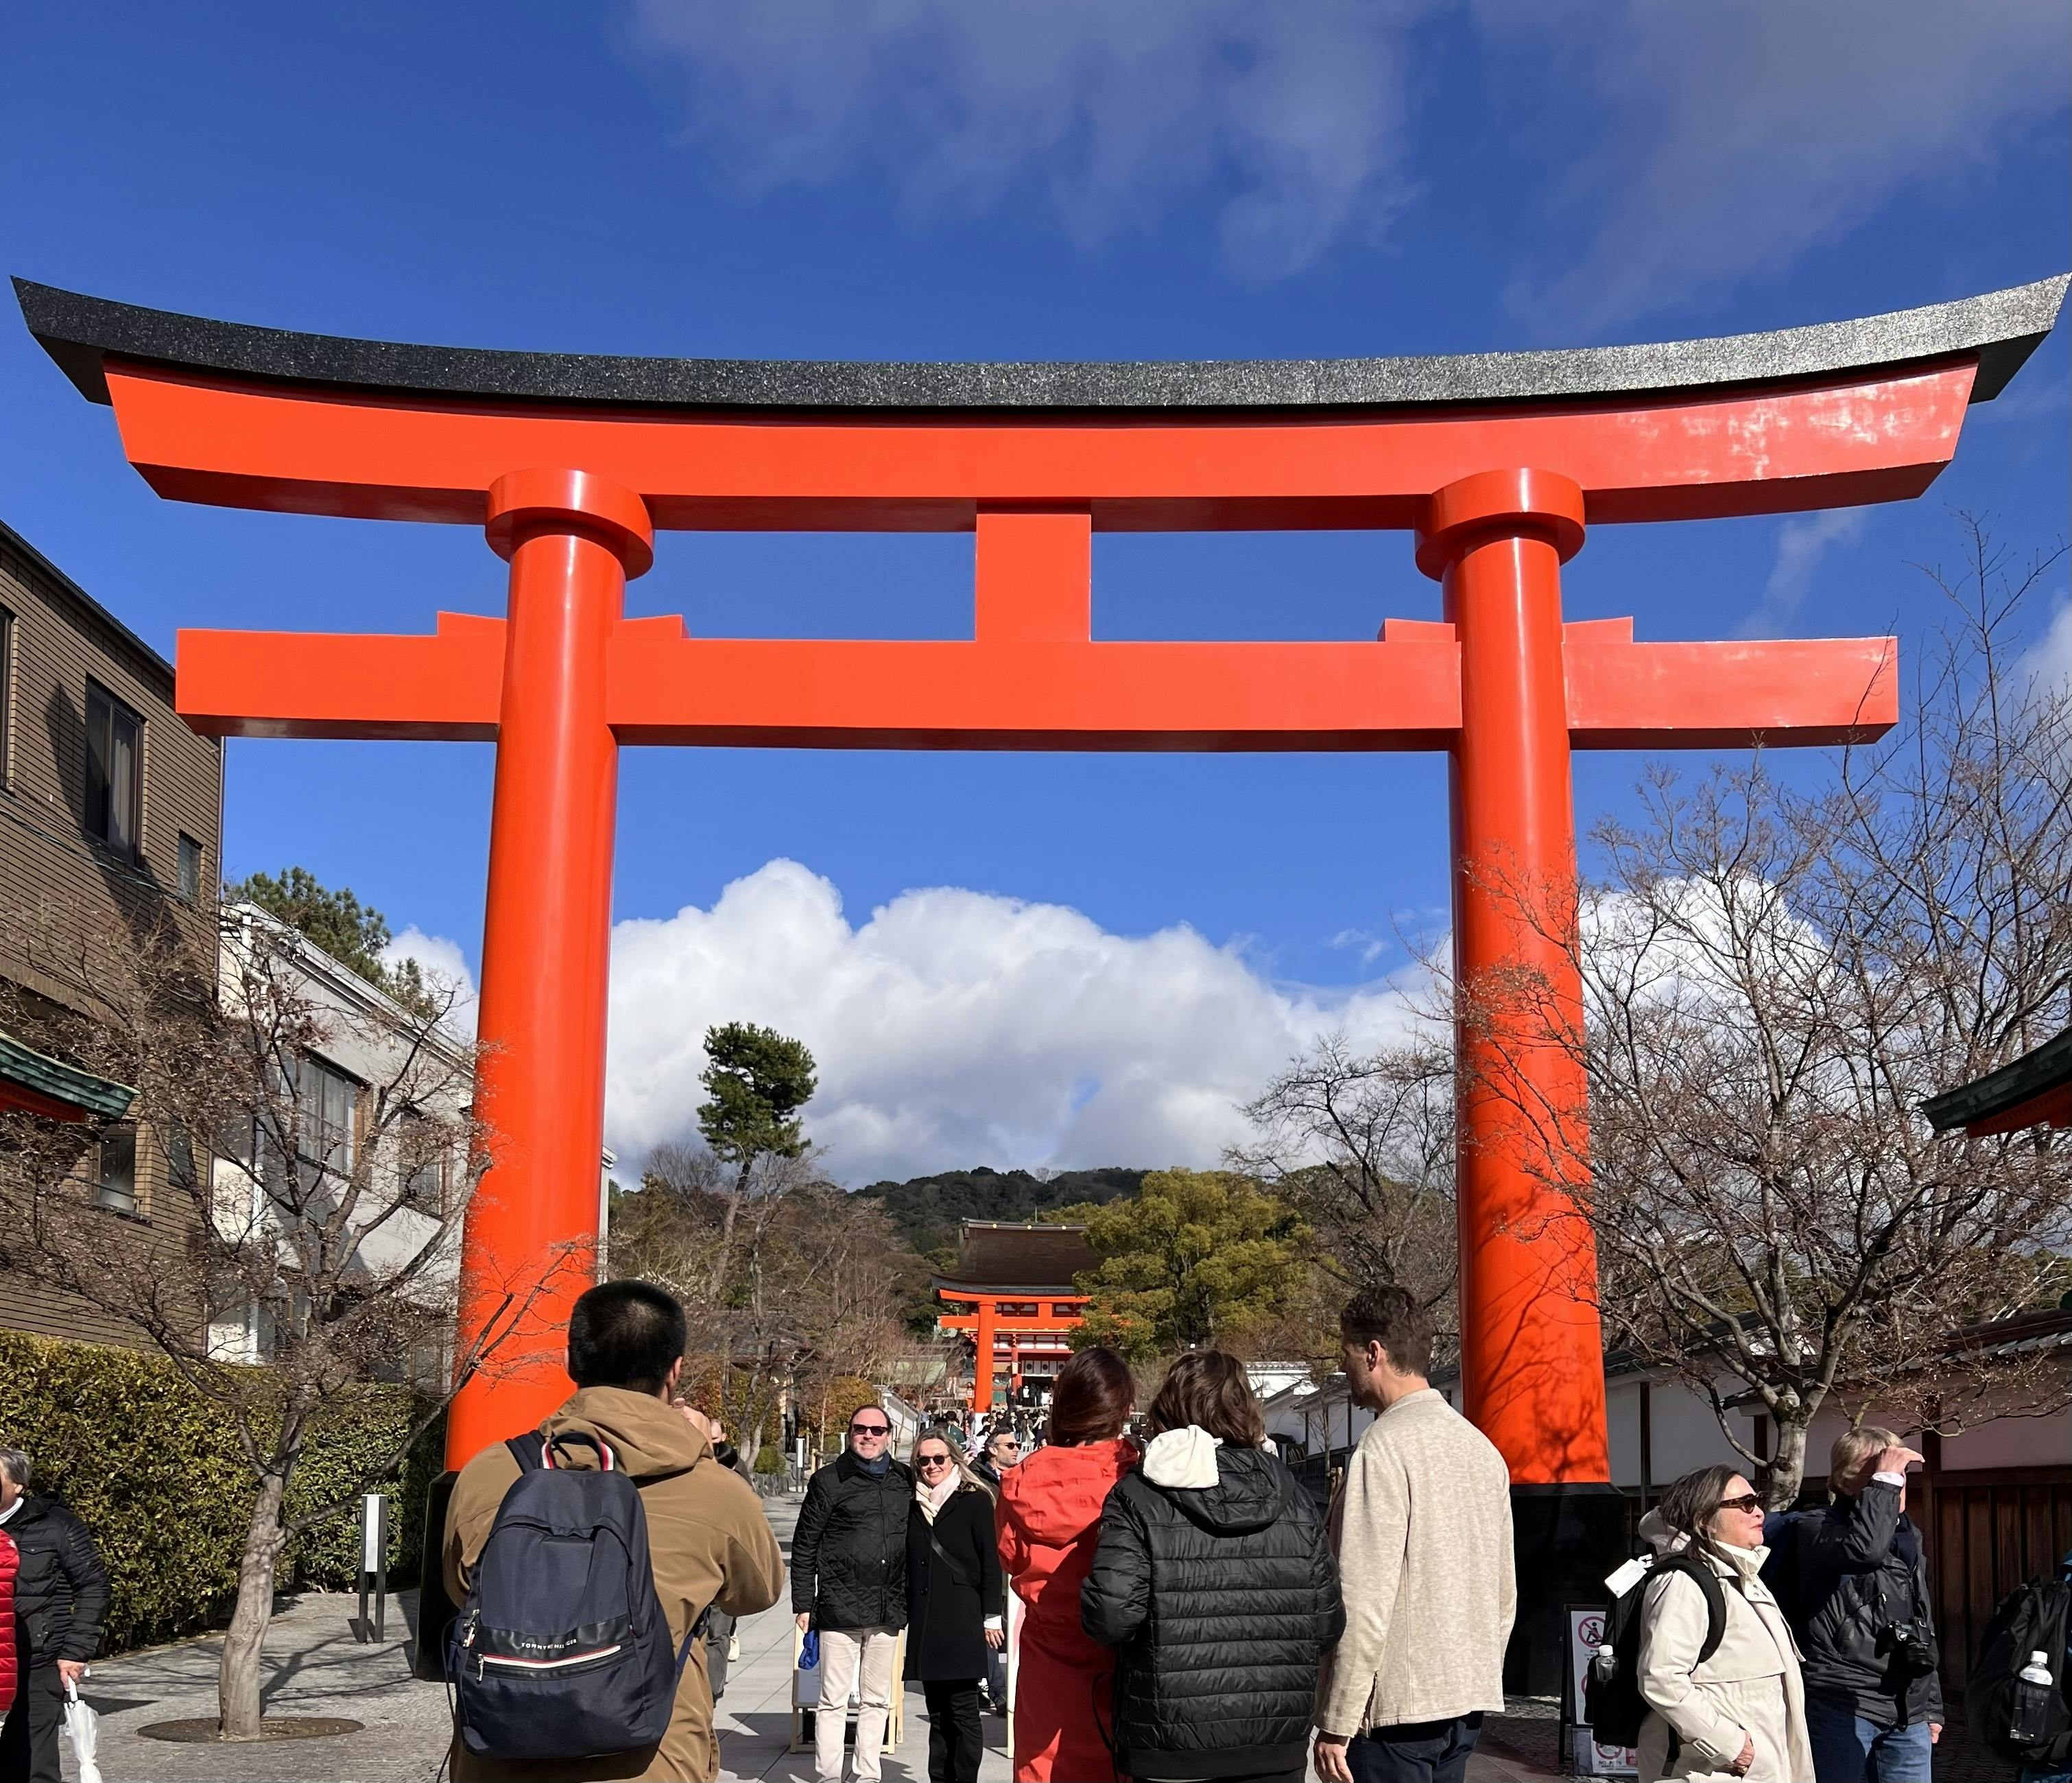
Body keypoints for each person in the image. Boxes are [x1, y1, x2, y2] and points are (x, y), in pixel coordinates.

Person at [442, 1282, 786, 1782]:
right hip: (654, 1758)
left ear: (570, 1362)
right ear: (675, 1370)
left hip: (500, 1752)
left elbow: (462, 1589)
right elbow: (758, 1591)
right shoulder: (714, 1489)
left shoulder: (491, 1472)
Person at [1082, 1349, 1344, 1783]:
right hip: (1274, 1740)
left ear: (1169, 1407)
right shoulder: (1295, 1498)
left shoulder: (1138, 1496)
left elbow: (1110, 1617)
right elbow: (1327, 1624)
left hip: (1170, 1740)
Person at [1313, 1284, 1514, 1783]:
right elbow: (1504, 1590)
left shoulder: (1383, 1447)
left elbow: (1362, 1597)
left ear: (1373, 1353)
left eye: (1346, 1353)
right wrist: (1481, 1669)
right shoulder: (1480, 1448)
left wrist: (1337, 1718)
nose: (1344, 1366)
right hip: (1465, 1697)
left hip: (1397, 1709)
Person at [997, 1345, 1139, 1783]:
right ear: (1123, 1409)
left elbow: (1012, 1558)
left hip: (1047, 1652)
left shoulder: (1020, 1482)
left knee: (1043, 1769)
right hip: (1118, 1657)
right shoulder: (1133, 1480)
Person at [1772, 1428, 1942, 1782]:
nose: (1897, 1484)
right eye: (1883, 1475)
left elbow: (1919, 1620)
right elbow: (1865, 1552)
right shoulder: (1816, 1527)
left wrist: (1931, 1706)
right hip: (1840, 1698)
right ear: (1847, 1482)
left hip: (1907, 1708)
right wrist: (1885, 1483)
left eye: (1901, 1475)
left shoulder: (1907, 1534)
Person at [1635, 1465, 1815, 1782]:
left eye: (1757, 1500)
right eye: (1745, 1503)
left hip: (1757, 1770)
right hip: (1712, 1770)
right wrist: (1731, 1746)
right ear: (1705, 1519)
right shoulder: (1684, 1582)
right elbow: (1661, 1677)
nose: (1759, 1512)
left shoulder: (1741, 1576)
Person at [794, 1400, 912, 1783]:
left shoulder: (903, 1479)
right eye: (861, 1429)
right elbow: (805, 1544)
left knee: (877, 1699)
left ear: (889, 1437)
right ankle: (829, 1776)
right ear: (850, 1434)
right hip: (838, 1605)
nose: (869, 1436)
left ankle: (867, 1774)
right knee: (832, 1700)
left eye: (877, 1430)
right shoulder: (829, 1481)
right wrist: (803, 1603)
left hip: (888, 1604)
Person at [0, 1444, 108, 1783]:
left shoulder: (56, 1525)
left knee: (33, 1761)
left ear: (18, 1485)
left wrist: (75, 1651)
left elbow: (93, 1585)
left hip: (37, 1660)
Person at [907, 1426, 1005, 1783]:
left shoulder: (975, 1499)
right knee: (937, 1713)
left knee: (963, 1711)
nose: (931, 1466)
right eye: (923, 1461)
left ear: (953, 1459)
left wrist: (992, 1616)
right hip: (926, 1620)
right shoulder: (912, 1501)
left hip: (963, 1618)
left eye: (939, 1458)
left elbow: (991, 1562)